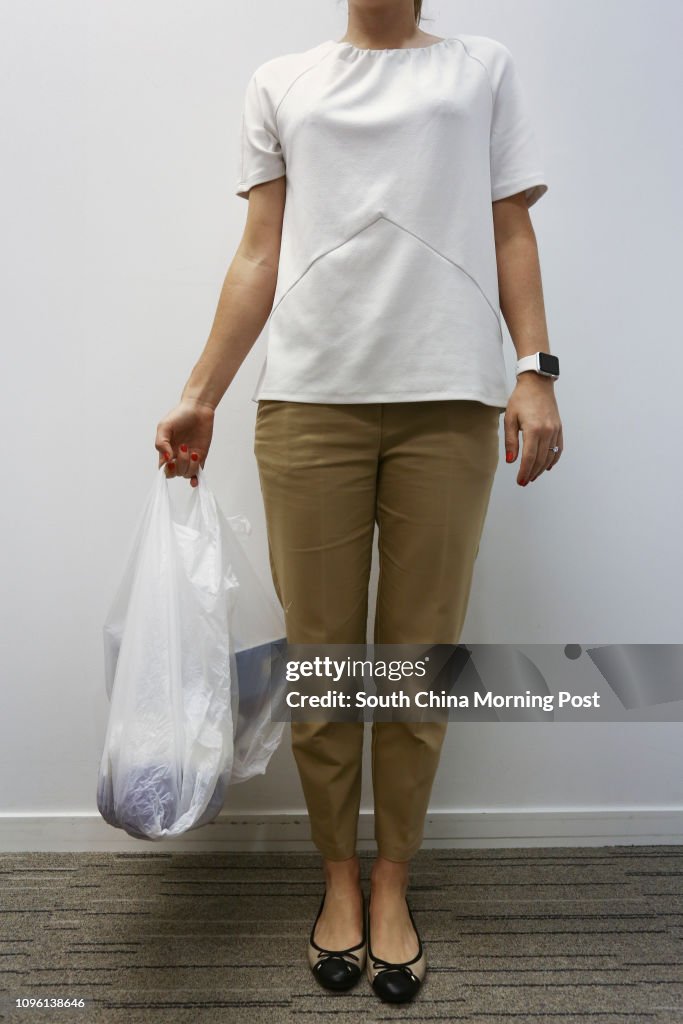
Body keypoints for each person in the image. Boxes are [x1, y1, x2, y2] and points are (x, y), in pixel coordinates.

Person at [155, 0, 563, 1005]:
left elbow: (510, 225)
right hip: (307, 402)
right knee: (326, 659)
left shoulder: (480, 68)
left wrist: (535, 369)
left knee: (418, 663)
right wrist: (200, 390)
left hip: (450, 402)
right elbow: (260, 249)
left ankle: (393, 884)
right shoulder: (282, 81)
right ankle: (337, 877)